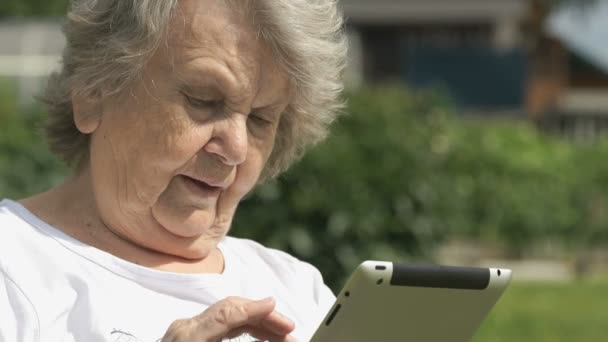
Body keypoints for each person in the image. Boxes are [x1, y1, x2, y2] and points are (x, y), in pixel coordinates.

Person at [0, 0, 347, 341]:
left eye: (260, 119)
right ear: (93, 92)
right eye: (203, 101)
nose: (236, 148)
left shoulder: (301, 291)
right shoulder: (13, 265)